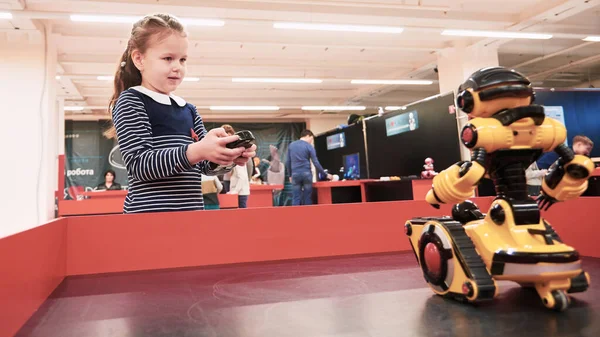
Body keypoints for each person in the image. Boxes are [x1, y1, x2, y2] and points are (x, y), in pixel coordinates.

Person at [104, 14, 255, 213]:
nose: (177, 67)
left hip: (190, 217)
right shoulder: (132, 101)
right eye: (168, 58)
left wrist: (226, 156)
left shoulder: (188, 109)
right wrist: (197, 150)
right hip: (148, 219)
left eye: (182, 60)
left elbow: (204, 166)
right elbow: (140, 165)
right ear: (139, 59)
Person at [286, 130, 332, 206]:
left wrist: (290, 175)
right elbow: (316, 162)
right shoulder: (309, 146)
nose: (311, 141)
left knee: (296, 197)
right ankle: (308, 216)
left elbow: (288, 162)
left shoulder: (291, 145)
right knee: (307, 197)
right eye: (311, 138)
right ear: (307, 136)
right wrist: (325, 174)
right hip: (306, 174)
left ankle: (295, 216)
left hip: (295, 174)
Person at [222, 124, 251, 208]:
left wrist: (234, 191)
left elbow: (242, 176)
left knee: (241, 214)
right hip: (233, 186)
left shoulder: (237, 151)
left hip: (240, 191)